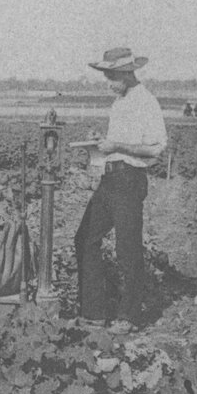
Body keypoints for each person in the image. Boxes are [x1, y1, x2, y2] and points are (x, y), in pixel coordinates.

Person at [74, 47, 167, 332]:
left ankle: (128, 316)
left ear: (127, 73)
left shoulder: (146, 102)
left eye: (112, 76)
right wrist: (102, 142)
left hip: (129, 180)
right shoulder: (120, 102)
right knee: (85, 238)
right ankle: (94, 312)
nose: (109, 82)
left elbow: (156, 148)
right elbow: (117, 143)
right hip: (110, 178)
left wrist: (116, 146)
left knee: (127, 249)